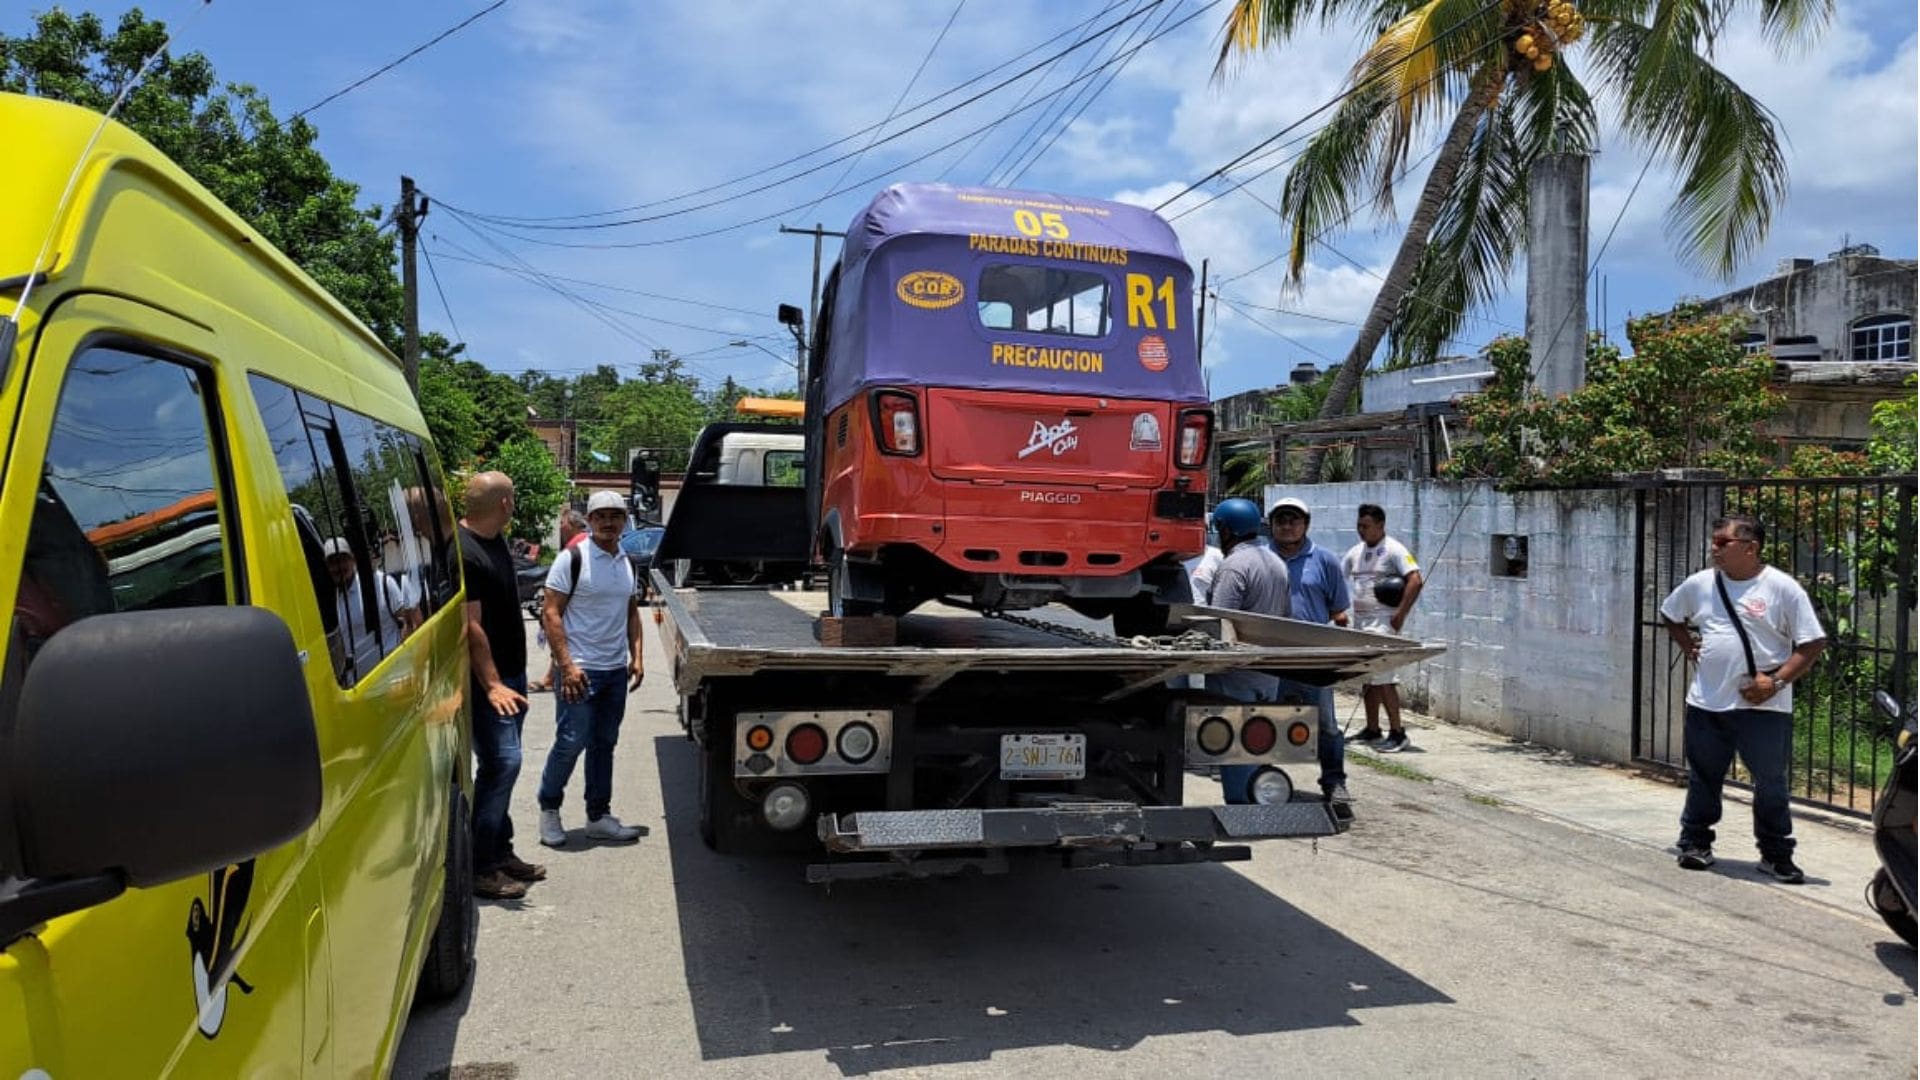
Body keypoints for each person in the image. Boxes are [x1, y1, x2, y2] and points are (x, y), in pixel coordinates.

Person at [1660, 513, 1826, 883]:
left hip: (1764, 707)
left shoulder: (1782, 589)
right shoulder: (1701, 584)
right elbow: (1671, 614)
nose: (1714, 548)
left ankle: (1776, 854)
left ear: (1751, 548)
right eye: (1714, 541)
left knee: (1770, 781)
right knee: (1704, 776)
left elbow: (1812, 643)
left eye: (1723, 543)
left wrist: (1776, 682)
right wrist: (1689, 646)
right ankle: (1695, 843)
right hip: (1707, 702)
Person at [538, 490, 648, 846]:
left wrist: (638, 657)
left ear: (624, 521)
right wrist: (565, 666)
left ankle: (598, 816)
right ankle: (549, 810)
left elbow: (631, 613)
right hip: (579, 671)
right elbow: (550, 613)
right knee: (571, 742)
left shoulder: (626, 562)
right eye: (601, 516)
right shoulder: (572, 558)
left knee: (604, 744)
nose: (608, 522)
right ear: (590, 519)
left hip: (614, 671)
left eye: (615, 516)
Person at [459, 472, 543, 900]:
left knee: (503, 770)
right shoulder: (466, 550)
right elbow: (470, 626)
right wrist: (491, 684)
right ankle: (481, 865)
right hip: (488, 681)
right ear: (505, 504)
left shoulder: (495, 544)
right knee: (502, 764)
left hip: (512, 675)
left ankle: (502, 850)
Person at [1205, 498, 1292, 804]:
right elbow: (1285, 614)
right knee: (1259, 741)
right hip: (1267, 671)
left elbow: (1220, 621)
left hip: (1235, 674)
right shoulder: (1277, 563)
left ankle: (1240, 806)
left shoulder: (1234, 566)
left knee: (1233, 742)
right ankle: (1258, 802)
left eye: (1220, 530)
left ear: (1228, 531)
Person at [1267, 496, 1353, 805]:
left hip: (1313, 658)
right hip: (1268, 657)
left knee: (1327, 725)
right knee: (1263, 720)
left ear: (1306, 525)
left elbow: (1339, 611)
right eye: (1281, 520)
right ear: (1271, 525)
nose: (1287, 526)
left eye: (1294, 520)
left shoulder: (1325, 560)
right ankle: (1262, 782)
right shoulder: (1263, 558)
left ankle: (1334, 783)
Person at [1343, 503, 1424, 752]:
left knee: (1385, 679)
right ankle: (1372, 728)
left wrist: (1400, 614)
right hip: (1362, 624)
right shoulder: (1356, 552)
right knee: (1369, 677)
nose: (1361, 531)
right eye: (1359, 526)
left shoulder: (1393, 550)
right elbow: (1338, 576)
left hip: (1383, 623)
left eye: (1366, 526)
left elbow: (1416, 579)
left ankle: (1398, 732)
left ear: (1380, 526)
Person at [322, 537, 414, 682]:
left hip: (393, 679)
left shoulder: (381, 583)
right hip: (358, 687)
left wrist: (402, 662)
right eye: (333, 562)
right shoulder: (327, 601)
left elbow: (409, 622)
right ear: (327, 567)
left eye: (343, 559)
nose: (339, 566)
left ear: (353, 560)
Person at [530, 508, 592, 692]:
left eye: (562, 523)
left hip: (571, 608)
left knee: (560, 640)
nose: (560, 527)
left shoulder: (577, 546)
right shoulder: (580, 542)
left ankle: (555, 676)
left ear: (572, 525)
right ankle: (549, 677)